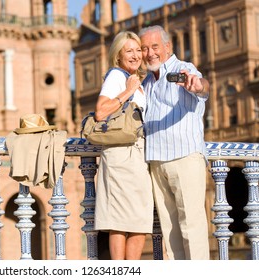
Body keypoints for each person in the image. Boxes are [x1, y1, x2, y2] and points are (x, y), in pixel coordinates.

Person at [138, 25, 210, 260]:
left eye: (155, 47)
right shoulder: (148, 80)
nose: (150, 53)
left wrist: (198, 86)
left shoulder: (184, 69)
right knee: (170, 231)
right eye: (145, 48)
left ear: (168, 47)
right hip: (156, 163)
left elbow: (202, 87)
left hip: (184, 157)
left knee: (192, 226)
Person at [93, 31, 154, 260]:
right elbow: (100, 112)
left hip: (137, 154)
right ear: (118, 55)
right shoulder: (117, 77)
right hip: (122, 154)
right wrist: (128, 91)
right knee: (120, 220)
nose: (136, 55)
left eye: (138, 50)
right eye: (129, 50)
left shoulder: (136, 80)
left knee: (139, 218)